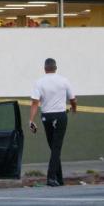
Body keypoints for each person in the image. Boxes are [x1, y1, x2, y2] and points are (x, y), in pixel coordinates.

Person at [29, 58, 76, 187]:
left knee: (53, 147)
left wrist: (31, 120)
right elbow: (73, 99)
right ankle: (51, 177)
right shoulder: (64, 80)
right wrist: (74, 108)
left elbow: (35, 103)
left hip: (46, 117)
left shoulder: (39, 82)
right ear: (55, 68)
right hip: (60, 116)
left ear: (45, 68)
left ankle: (59, 179)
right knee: (56, 148)